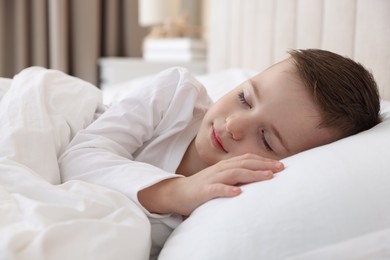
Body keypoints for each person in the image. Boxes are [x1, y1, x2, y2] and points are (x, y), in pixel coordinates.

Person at [59, 49, 381, 256]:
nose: (234, 125)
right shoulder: (175, 97)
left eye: (267, 140)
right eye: (245, 98)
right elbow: (78, 157)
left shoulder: (233, 206)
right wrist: (175, 191)